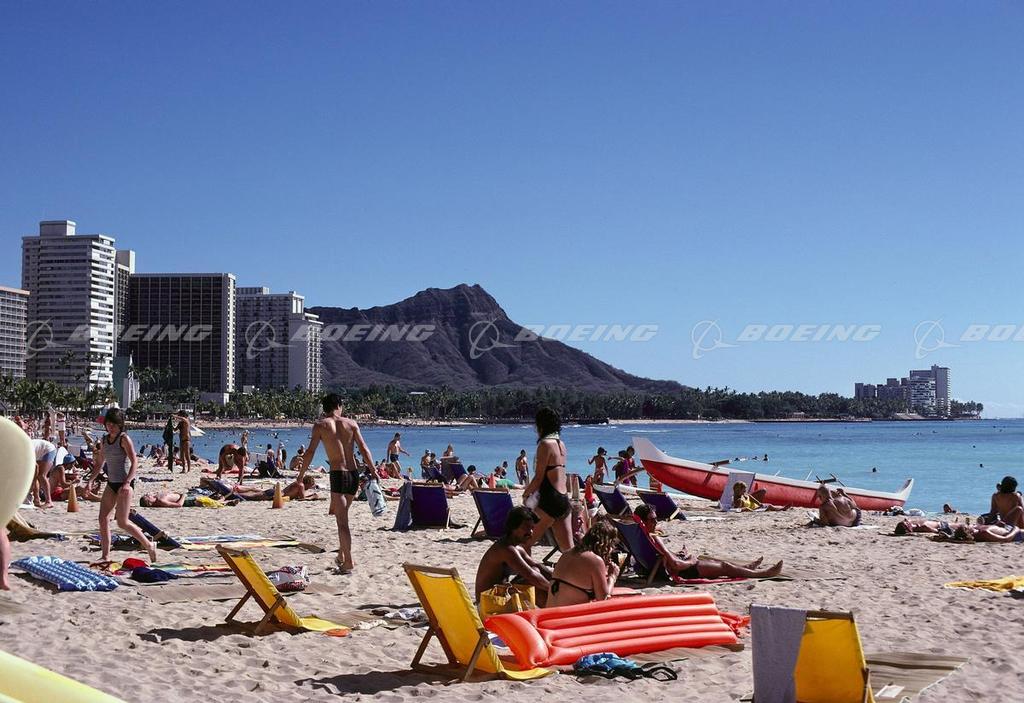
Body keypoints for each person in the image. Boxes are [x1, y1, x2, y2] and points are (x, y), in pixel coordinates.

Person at [298, 393, 376, 573]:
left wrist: (301, 475)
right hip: (353, 475)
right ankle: (341, 555)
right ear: (339, 406)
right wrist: (373, 470)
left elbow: (310, 453)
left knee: (342, 522)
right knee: (343, 515)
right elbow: (364, 449)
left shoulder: (320, 425)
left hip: (338, 475)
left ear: (325, 408)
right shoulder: (351, 424)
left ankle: (348, 561)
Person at [635, 504, 783, 579]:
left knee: (717, 562)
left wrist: (678, 554)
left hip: (671, 567)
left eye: (656, 519)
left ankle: (747, 567)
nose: (656, 522)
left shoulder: (640, 536)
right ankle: (762, 574)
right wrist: (691, 561)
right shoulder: (655, 538)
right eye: (652, 520)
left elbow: (664, 557)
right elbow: (676, 565)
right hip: (687, 571)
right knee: (724, 566)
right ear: (643, 521)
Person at [89, 408, 157, 563]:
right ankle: (105, 555)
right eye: (109, 424)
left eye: (114, 424)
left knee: (122, 522)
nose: (111, 427)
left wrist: (127, 483)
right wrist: (90, 480)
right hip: (111, 483)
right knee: (103, 519)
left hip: (125, 483)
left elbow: (134, 462)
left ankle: (148, 544)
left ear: (120, 425)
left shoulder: (124, 439)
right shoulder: (104, 440)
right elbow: (100, 463)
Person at [475, 507, 552, 606]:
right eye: (526, 528)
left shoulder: (517, 547)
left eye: (532, 528)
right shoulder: (506, 549)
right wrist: (553, 589)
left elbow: (537, 566)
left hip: (499, 594)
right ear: (513, 528)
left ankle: (555, 606)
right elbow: (530, 575)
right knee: (534, 582)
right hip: (488, 603)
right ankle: (555, 608)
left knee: (537, 570)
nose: (530, 532)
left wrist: (558, 580)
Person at [522, 407, 574, 553]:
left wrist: (526, 494)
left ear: (541, 425)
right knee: (569, 550)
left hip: (549, 500)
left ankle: (523, 568)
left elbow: (539, 477)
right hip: (563, 499)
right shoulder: (561, 444)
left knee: (525, 543)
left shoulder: (545, 444)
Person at [547, 521, 621, 607]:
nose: (612, 549)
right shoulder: (595, 561)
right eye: (612, 545)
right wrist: (612, 576)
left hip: (551, 611)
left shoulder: (567, 554)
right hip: (570, 614)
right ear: (606, 544)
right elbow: (603, 599)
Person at [30, 437, 57, 507]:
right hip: (39, 452)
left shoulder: (26, 449)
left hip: (48, 449)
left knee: (42, 475)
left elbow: (35, 466)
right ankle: (36, 500)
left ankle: (49, 501)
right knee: (35, 477)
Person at [938, 523, 1024, 543]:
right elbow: (1005, 539)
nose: (970, 524)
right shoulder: (984, 533)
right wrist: (1015, 529)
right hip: (1017, 534)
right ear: (968, 530)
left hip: (1007, 528)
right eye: (967, 525)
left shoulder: (978, 530)